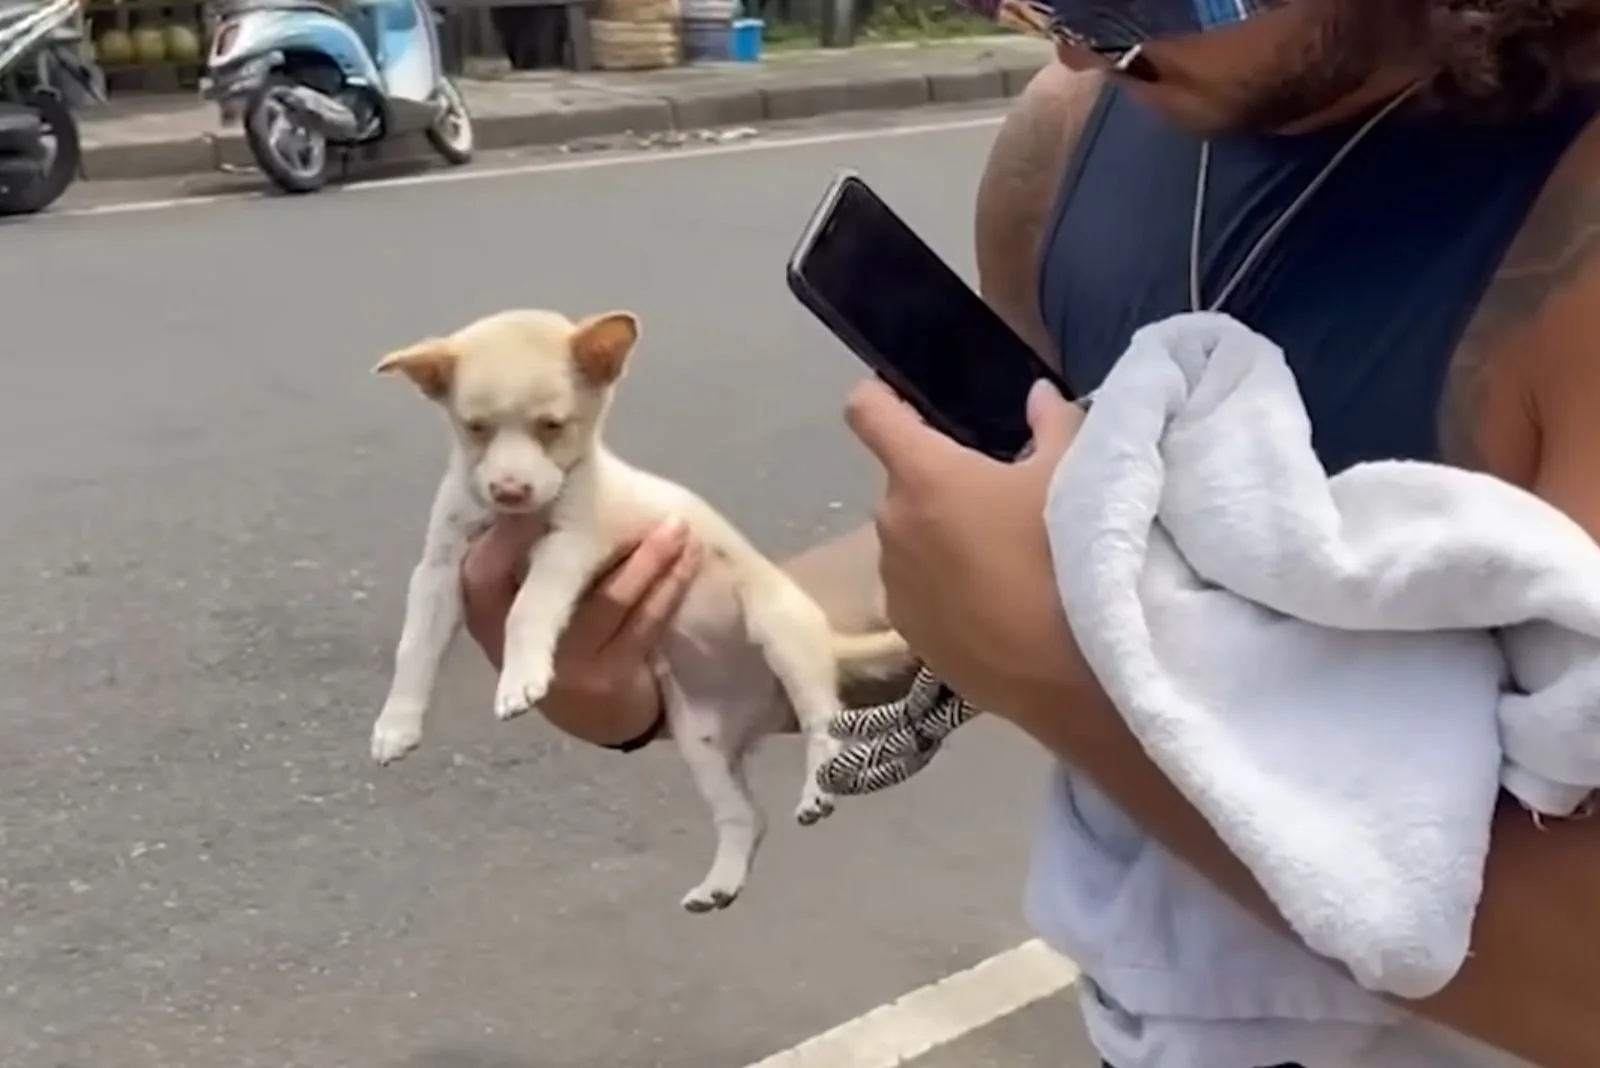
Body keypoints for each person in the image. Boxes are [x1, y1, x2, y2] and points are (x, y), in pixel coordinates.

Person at [459, 3, 1600, 1066]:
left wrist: (1059, 677)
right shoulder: (1068, 141)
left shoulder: (1569, 243)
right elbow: (1006, 553)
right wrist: (667, 652)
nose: (1063, 41)